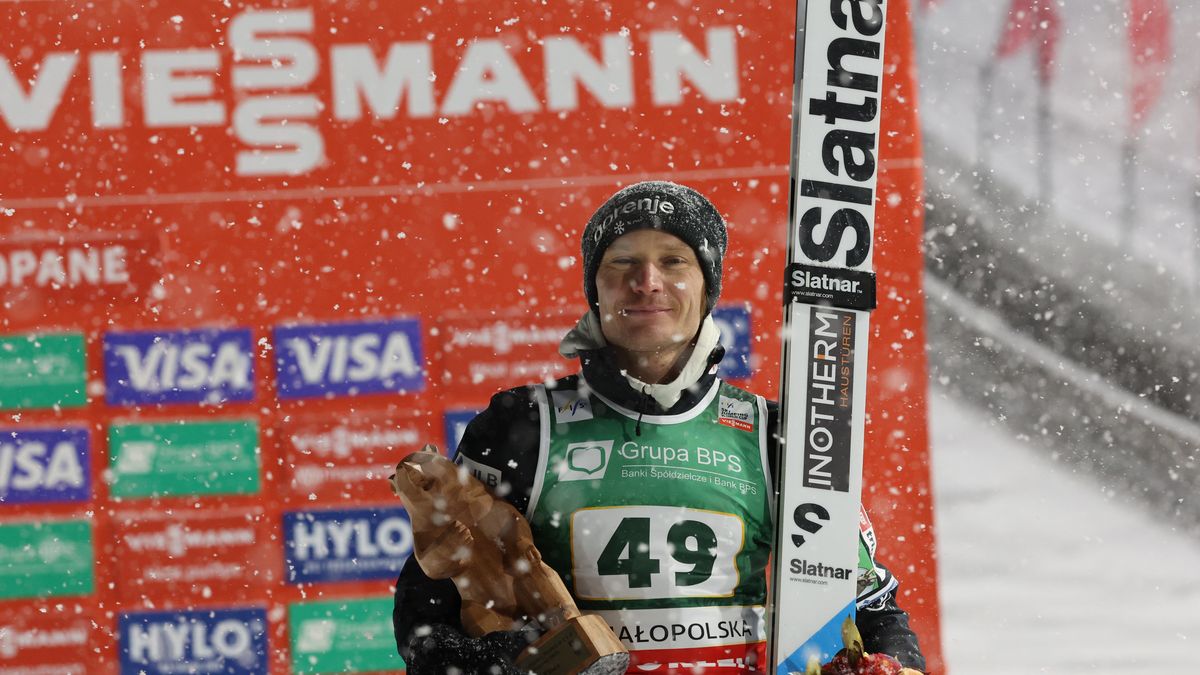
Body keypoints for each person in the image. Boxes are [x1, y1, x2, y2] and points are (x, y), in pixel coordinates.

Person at [393, 181, 926, 674]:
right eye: (622, 262)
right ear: (594, 287)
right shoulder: (523, 426)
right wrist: (505, 663)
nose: (646, 283)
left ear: (707, 284)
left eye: (674, 261)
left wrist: (890, 665)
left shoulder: (777, 435)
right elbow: (428, 612)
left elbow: (873, 608)